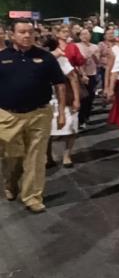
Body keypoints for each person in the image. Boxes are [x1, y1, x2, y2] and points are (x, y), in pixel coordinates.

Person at [0, 19, 67, 213]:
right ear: (12, 34)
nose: (27, 36)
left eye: (30, 32)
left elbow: (60, 85)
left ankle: (32, 196)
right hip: (8, 116)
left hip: (39, 114)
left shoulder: (46, 58)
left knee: (36, 158)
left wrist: (61, 112)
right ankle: (10, 184)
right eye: (22, 32)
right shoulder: (2, 57)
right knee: (11, 157)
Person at [43, 37, 80, 168]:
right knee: (46, 131)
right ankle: (48, 157)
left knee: (71, 127)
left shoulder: (61, 60)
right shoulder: (37, 60)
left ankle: (67, 155)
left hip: (65, 98)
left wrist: (76, 98)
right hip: (46, 100)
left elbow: (73, 77)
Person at [76, 28, 100, 130]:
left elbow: (98, 61)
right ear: (79, 36)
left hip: (92, 74)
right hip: (80, 74)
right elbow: (74, 61)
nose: (85, 36)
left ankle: (86, 115)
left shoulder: (95, 47)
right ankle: (80, 119)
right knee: (82, 97)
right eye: (83, 34)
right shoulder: (76, 46)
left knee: (90, 97)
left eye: (87, 34)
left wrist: (93, 55)